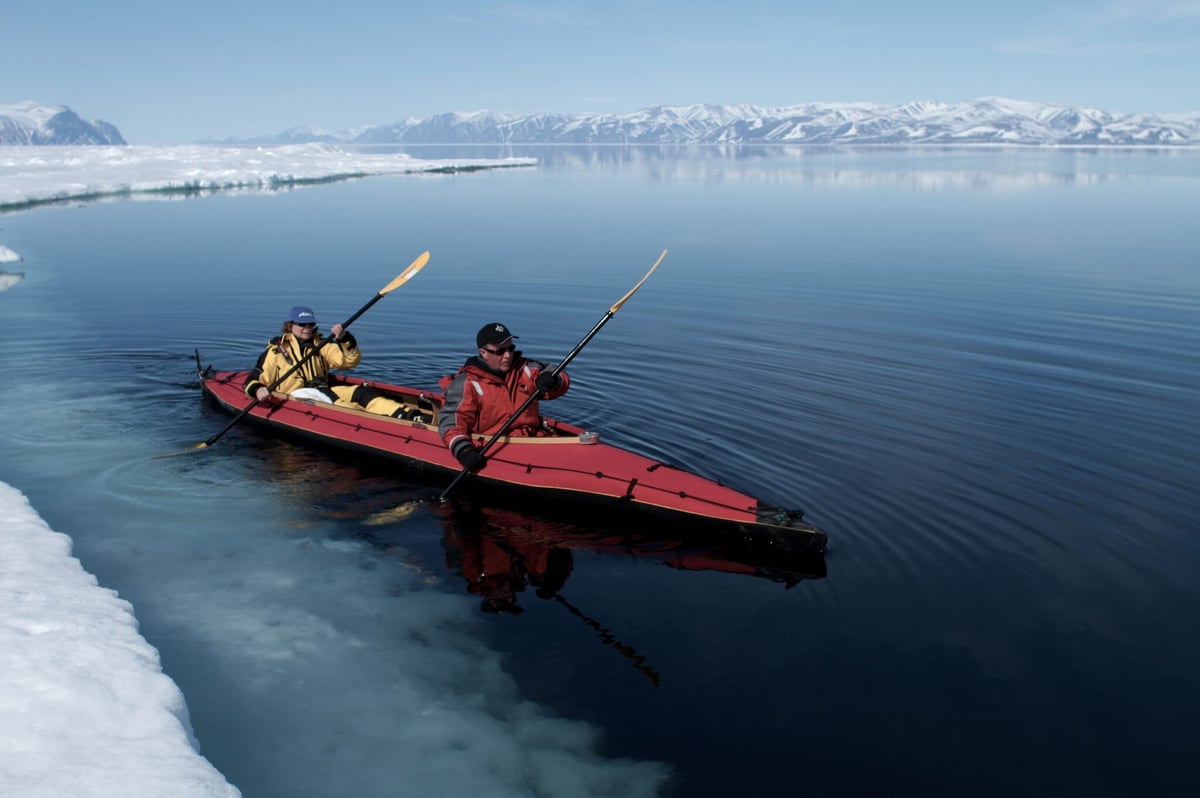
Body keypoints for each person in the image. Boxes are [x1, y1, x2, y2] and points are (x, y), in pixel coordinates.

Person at [244, 305, 418, 419]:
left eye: (310, 324)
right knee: (334, 400)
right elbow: (253, 380)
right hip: (298, 396)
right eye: (302, 324)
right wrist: (258, 390)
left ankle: (406, 414)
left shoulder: (321, 345)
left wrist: (344, 338)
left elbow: (349, 361)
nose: (307, 328)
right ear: (290, 325)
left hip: (321, 390)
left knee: (362, 393)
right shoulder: (276, 352)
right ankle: (372, 422)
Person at [439, 322, 569, 472]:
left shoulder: (525, 370)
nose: (508, 355)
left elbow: (557, 374)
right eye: (500, 351)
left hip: (533, 439)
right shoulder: (467, 384)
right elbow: (451, 423)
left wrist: (553, 380)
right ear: (483, 353)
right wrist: (464, 451)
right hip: (495, 445)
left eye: (511, 348)